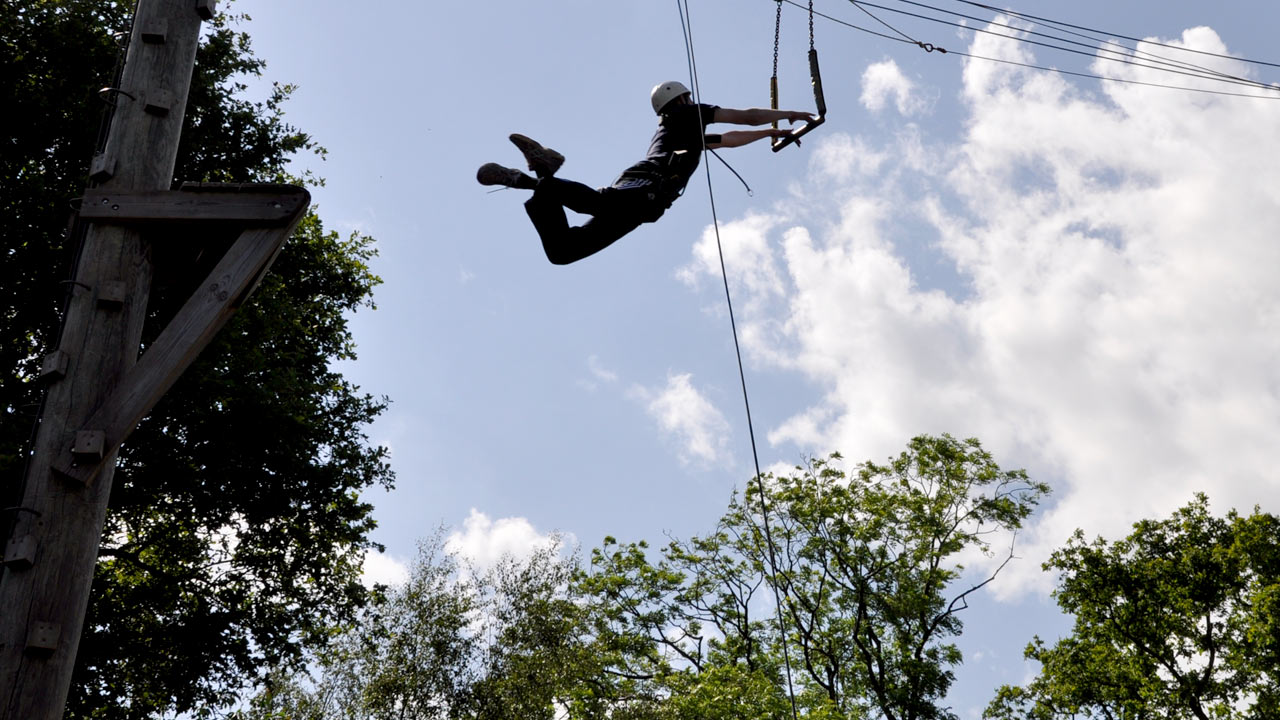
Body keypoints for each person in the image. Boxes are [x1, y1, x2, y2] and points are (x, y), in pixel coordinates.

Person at [477, 81, 814, 265]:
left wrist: (772, 133)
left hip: (644, 203)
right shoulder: (684, 116)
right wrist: (789, 114)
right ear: (682, 100)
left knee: (563, 252)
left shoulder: (682, 134)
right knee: (591, 203)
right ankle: (544, 170)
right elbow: (743, 117)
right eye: (689, 98)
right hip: (646, 186)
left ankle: (533, 180)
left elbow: (728, 139)